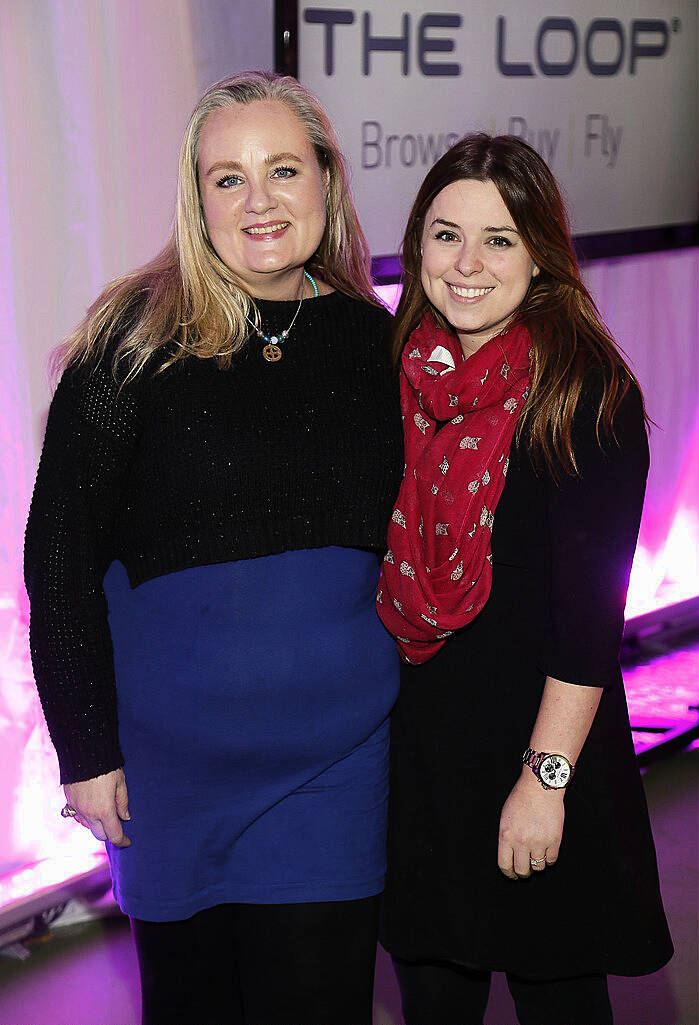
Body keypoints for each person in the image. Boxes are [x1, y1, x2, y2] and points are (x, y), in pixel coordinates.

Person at [24, 71, 403, 1025]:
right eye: (226, 177)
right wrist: (84, 745)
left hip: (335, 767)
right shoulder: (132, 340)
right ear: (196, 198)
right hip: (167, 778)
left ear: (326, 179)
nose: (259, 200)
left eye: (282, 168)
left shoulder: (374, 343)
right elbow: (59, 558)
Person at [376, 134, 673, 1025]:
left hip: (539, 752)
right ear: (417, 242)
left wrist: (542, 785)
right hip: (419, 759)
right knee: (432, 996)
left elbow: (587, 622)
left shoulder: (586, 395)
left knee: (559, 998)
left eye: (498, 239)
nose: (465, 264)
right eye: (444, 234)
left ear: (540, 252)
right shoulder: (390, 377)